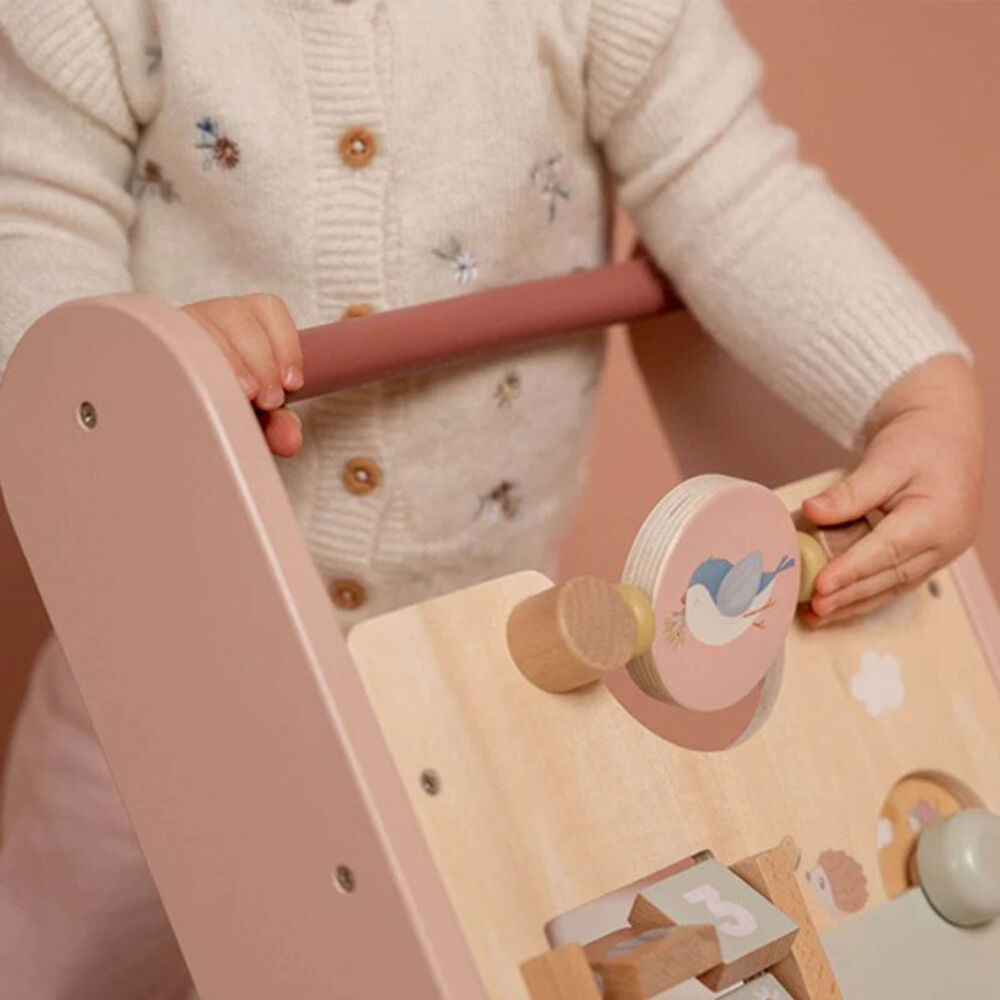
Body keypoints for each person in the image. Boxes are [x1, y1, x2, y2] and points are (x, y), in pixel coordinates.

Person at [0, 1, 983, 996]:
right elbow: (29, 220)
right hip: (151, 667)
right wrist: (144, 372)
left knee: (439, 962)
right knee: (61, 952)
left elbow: (738, 189)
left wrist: (920, 392)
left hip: (473, 689)